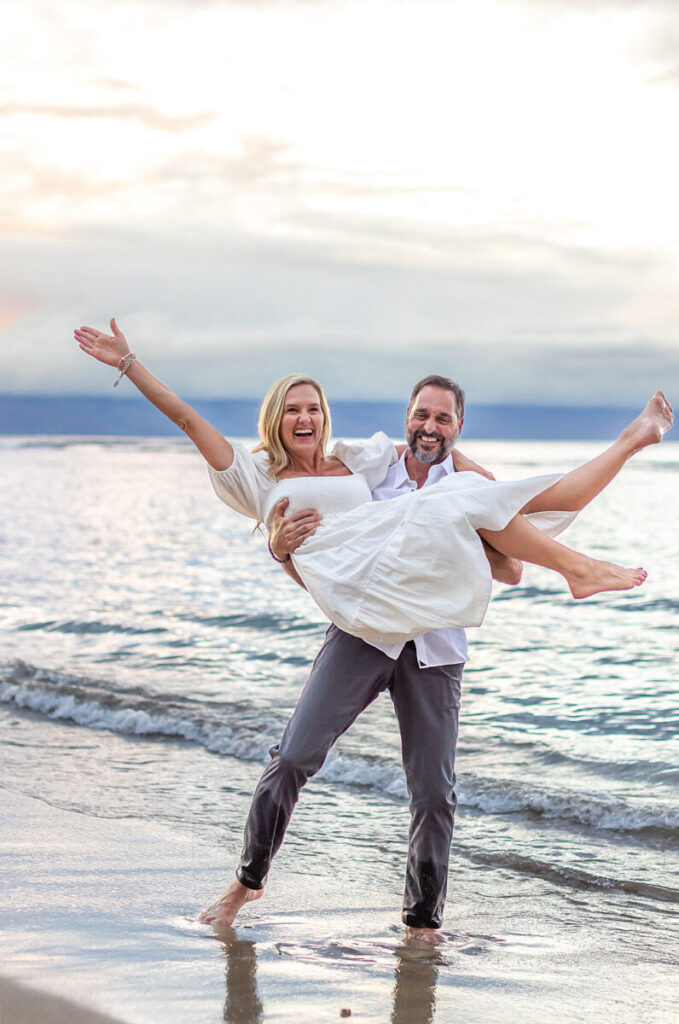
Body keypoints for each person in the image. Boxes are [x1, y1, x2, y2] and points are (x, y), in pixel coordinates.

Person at [74, 319, 672, 939]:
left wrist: (471, 490)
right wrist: (131, 365)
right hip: (362, 634)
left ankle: (422, 925)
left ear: (457, 427)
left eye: (313, 408)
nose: (304, 418)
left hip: (433, 644)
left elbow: (512, 562)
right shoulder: (328, 472)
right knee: (293, 757)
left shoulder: (375, 465)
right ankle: (245, 883)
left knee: (434, 794)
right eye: (292, 409)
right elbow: (192, 425)